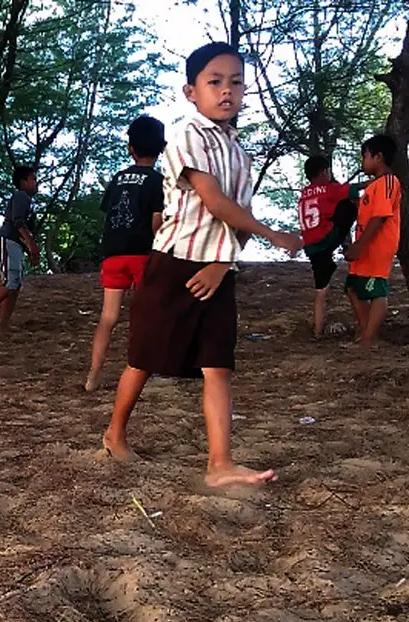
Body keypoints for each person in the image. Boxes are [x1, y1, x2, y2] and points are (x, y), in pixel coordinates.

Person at [100, 42, 302, 490]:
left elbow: (238, 218)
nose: (226, 91)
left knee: (218, 365)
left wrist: (223, 263)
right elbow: (214, 202)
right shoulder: (188, 136)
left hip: (218, 273)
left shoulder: (242, 156)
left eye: (235, 82)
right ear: (192, 91)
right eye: (214, 82)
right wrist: (276, 236)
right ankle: (115, 433)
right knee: (143, 358)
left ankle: (219, 463)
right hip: (173, 265)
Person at [85, 115, 168, 392]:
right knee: (147, 314)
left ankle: (93, 374)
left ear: (130, 148)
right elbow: (156, 222)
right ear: (162, 147)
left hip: (112, 253)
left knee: (108, 317)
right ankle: (145, 367)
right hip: (142, 254)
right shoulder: (158, 180)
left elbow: (109, 213)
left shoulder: (118, 178)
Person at [344, 135, 402, 348]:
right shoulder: (373, 186)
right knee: (352, 287)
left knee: (376, 288)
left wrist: (360, 245)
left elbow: (380, 216)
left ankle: (368, 338)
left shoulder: (388, 182)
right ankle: (367, 334)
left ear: (378, 157)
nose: (363, 161)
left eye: (365, 156)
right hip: (365, 244)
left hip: (379, 245)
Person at [298, 156, 361, 338]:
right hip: (326, 239)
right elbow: (355, 188)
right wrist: (378, 179)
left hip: (312, 247)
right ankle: (351, 242)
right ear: (325, 171)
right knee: (347, 205)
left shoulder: (304, 193)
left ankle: (317, 331)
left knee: (321, 291)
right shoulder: (328, 189)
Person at [0, 166, 40, 332]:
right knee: (10, 282)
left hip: (15, 245)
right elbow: (18, 222)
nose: (36, 182)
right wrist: (32, 246)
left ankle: (3, 325)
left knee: (16, 284)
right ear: (23, 182)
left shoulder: (28, 201)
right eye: (33, 179)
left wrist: (29, 248)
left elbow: (23, 227)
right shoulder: (21, 196)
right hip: (7, 242)